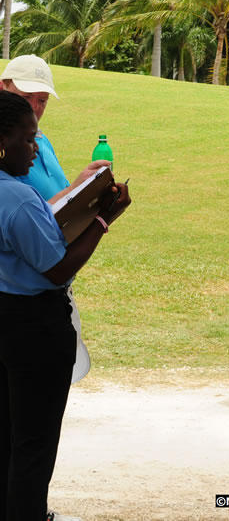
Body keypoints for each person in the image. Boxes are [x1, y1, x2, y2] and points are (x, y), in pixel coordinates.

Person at [0, 90, 130, 521]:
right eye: (27, 139)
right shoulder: (15, 197)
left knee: (10, 432)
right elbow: (56, 267)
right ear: (2, 141)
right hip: (33, 328)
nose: (35, 149)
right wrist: (101, 219)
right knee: (34, 440)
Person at [0, 54, 108, 386]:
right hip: (26, 301)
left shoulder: (37, 139)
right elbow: (29, 214)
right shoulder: (14, 185)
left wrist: (80, 187)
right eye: (25, 97)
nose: (34, 107)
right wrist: (102, 220)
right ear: (2, 88)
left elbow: (50, 201)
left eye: (42, 100)